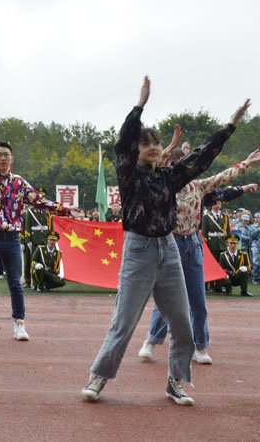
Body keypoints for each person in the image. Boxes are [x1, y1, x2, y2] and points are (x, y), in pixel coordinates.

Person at [81, 76, 248, 405]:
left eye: (157, 143)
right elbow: (123, 143)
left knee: (183, 323)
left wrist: (229, 126)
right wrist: (140, 106)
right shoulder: (129, 175)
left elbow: (201, 158)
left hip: (169, 250)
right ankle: (99, 376)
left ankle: (175, 382)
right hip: (139, 251)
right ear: (137, 151)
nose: (154, 147)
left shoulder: (171, 177)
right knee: (123, 322)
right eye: (146, 144)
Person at [138, 146, 260, 365]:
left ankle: (200, 346)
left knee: (198, 299)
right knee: (167, 297)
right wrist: (167, 149)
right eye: (176, 165)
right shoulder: (162, 186)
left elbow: (223, 178)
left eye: (186, 164)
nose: (182, 168)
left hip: (193, 245)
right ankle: (152, 340)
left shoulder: (198, 186)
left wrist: (247, 163)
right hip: (171, 243)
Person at [0, 138, 79, 341]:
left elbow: (40, 201)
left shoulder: (19, 183)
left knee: (15, 283)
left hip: (12, 239)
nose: (3, 158)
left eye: (6, 155)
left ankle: (19, 324)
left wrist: (65, 210)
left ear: (12, 159)